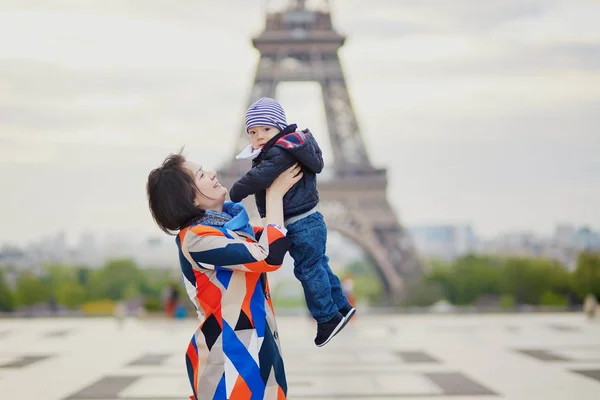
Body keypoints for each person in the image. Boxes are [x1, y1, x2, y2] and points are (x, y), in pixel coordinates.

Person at [147, 150, 301, 400]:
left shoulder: (232, 229)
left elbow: (281, 235)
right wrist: (274, 194)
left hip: (258, 360)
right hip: (231, 367)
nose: (212, 173)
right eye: (201, 175)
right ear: (191, 198)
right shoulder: (197, 238)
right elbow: (269, 255)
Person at [230, 97, 355, 347]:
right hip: (310, 219)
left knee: (308, 270)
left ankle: (327, 318)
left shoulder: (279, 151)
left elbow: (259, 176)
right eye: (253, 132)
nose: (259, 136)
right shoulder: (292, 146)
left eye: (266, 129)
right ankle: (341, 306)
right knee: (318, 265)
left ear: (279, 128)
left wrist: (236, 191)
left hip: (300, 223)